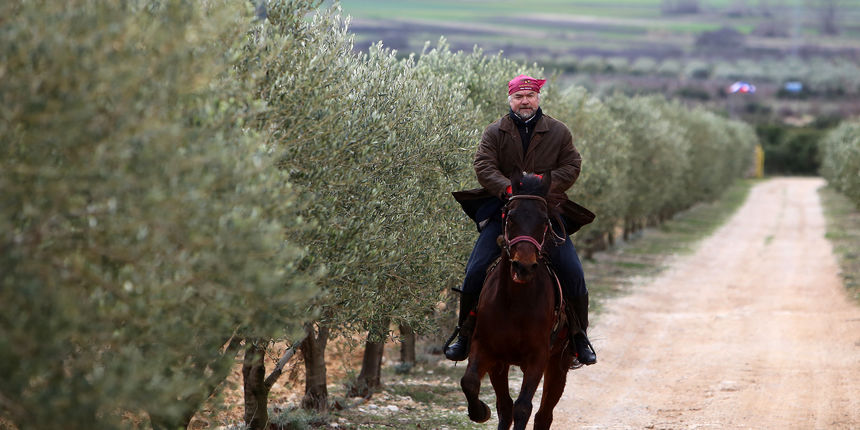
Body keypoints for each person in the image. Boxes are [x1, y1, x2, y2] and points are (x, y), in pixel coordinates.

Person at [446, 74, 597, 367]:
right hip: (507, 213)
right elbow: (483, 165)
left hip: (545, 213)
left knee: (573, 272)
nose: (524, 101)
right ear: (511, 100)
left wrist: (543, 186)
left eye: (529, 96)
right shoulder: (495, 132)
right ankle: (464, 335)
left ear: (537, 98)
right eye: (518, 96)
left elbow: (572, 165)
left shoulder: (558, 131)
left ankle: (579, 338)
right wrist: (508, 188)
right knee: (476, 269)